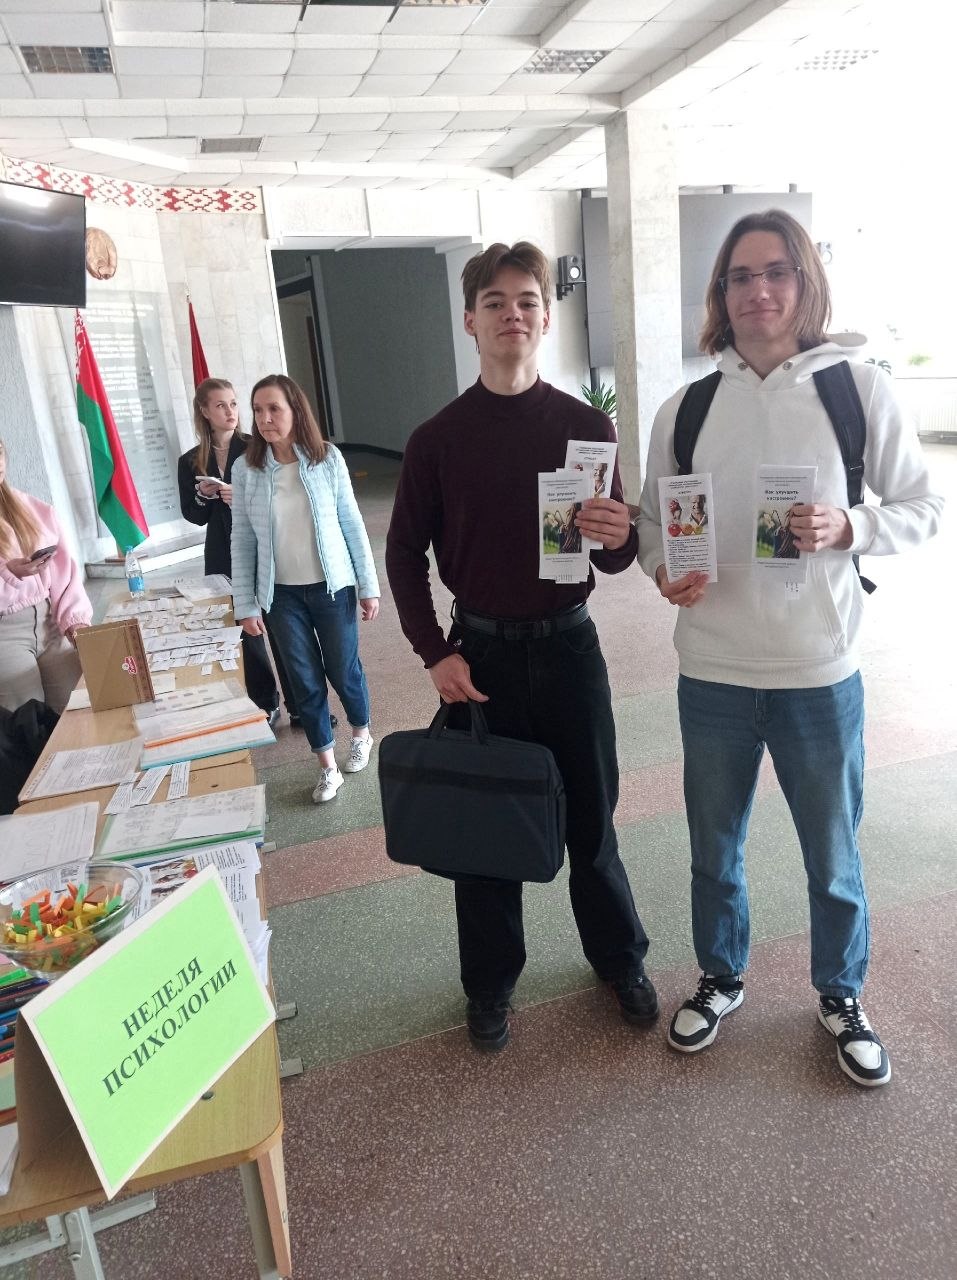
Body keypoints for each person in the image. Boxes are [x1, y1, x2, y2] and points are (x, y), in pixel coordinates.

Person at [637, 208, 943, 1088]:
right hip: (712, 670)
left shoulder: (857, 391)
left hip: (818, 671)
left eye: (776, 272)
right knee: (712, 849)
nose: (758, 290)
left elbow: (923, 508)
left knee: (832, 855)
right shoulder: (686, 407)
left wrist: (850, 525)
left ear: (805, 284)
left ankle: (840, 993)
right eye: (740, 276)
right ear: (720, 294)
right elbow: (656, 522)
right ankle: (720, 976)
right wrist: (662, 571)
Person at [386, 240, 656, 1054]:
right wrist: (434, 652)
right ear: (470, 321)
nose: (514, 314)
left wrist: (618, 534)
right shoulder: (437, 438)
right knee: (485, 834)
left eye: (528, 301)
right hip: (483, 660)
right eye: (496, 302)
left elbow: (610, 557)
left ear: (545, 318)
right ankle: (490, 985)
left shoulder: (585, 428)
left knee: (592, 823)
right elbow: (402, 554)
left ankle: (619, 961)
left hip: (570, 651)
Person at [230, 374, 379, 804]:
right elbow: (242, 539)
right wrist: (245, 604)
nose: (265, 419)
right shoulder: (246, 470)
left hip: (333, 588)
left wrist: (368, 585)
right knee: (304, 680)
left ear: (295, 410)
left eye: (274, 409)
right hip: (281, 597)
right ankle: (326, 765)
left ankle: (361, 733)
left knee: (343, 670)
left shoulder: (326, 458)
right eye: (258, 410)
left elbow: (351, 523)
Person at [178, 378, 292, 729]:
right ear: (204, 411)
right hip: (221, 552)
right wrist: (205, 495)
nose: (230, 411)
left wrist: (238, 496)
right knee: (246, 631)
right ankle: (265, 703)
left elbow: (278, 493)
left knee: (282, 627)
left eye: (233, 403)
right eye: (220, 405)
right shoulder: (190, 460)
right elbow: (193, 515)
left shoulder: (256, 446)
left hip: (263, 545)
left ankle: (302, 705)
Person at [0, 438, 91, 713]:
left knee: (76, 711)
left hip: (50, 623)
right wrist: (7, 573)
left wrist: (76, 622)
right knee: (25, 724)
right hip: (5, 633)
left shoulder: (31, 508)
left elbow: (64, 572)